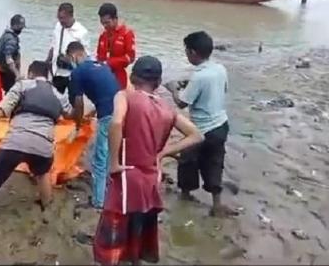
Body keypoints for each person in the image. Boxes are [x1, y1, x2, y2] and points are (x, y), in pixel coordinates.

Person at [93, 56, 203, 265]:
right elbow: (196, 135)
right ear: (158, 82)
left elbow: (116, 123)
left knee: (114, 232)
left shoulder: (124, 96)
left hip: (127, 176)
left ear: (133, 77)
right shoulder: (167, 109)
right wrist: (164, 153)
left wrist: (114, 163)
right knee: (139, 228)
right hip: (151, 179)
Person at [0, 61, 76, 228]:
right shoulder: (58, 94)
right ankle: (47, 206)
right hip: (43, 144)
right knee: (42, 173)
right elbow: (71, 115)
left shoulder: (23, 85)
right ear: (47, 76)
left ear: (31, 73)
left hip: (16, 142)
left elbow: (1, 110)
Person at [164, 31, 236, 217]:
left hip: (201, 129)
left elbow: (182, 103)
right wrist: (189, 85)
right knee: (214, 162)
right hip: (220, 125)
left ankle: (186, 194)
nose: (186, 54)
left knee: (187, 161)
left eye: (187, 51)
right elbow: (221, 89)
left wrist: (173, 89)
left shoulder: (199, 77)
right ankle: (217, 204)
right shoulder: (220, 69)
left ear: (193, 53)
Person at [66, 41, 120, 209]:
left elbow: (79, 103)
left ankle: (99, 201)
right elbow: (107, 93)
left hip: (108, 116)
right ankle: (113, 190)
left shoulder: (78, 72)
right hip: (123, 111)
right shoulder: (102, 66)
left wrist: (77, 126)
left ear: (74, 56)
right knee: (113, 154)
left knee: (100, 158)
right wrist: (92, 114)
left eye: (70, 59)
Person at [45, 2, 89, 94]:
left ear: (70, 16)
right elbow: (53, 45)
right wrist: (47, 62)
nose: (60, 21)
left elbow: (85, 56)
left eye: (62, 18)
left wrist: (70, 60)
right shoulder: (58, 26)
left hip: (72, 74)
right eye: (59, 17)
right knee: (54, 98)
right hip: (56, 71)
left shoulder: (81, 32)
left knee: (74, 100)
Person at [96, 3, 136, 90]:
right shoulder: (103, 35)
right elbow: (99, 56)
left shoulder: (127, 33)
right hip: (103, 76)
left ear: (115, 19)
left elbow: (130, 58)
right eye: (102, 23)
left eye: (107, 23)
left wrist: (109, 63)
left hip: (119, 77)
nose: (105, 26)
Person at [0, 14, 25, 93]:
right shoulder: (11, 39)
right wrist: (17, 74)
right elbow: (9, 59)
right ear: (15, 25)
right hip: (7, 73)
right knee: (12, 94)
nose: (21, 29)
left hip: (0, 70)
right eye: (21, 27)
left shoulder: (5, 35)